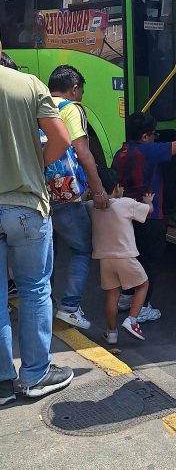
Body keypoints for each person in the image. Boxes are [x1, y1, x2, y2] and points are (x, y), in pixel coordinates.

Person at [0, 40, 74, 405]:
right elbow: (61, 140)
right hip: (26, 205)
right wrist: (35, 163)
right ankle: (34, 375)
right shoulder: (28, 84)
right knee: (33, 289)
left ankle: (1, 383)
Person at [113, 112, 176, 321]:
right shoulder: (149, 151)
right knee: (149, 263)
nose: (154, 138)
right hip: (151, 216)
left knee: (133, 257)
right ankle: (142, 307)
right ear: (144, 137)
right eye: (153, 134)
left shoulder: (120, 153)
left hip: (127, 216)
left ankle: (126, 296)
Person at [47, 65, 109, 330]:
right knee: (81, 248)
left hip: (37, 192)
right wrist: (98, 191)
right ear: (74, 89)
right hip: (65, 195)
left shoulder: (38, 105)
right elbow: (82, 153)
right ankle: (70, 307)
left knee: (48, 252)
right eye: (81, 92)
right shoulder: (71, 109)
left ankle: (45, 305)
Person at [86, 166, 154, 344]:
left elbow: (87, 202)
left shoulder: (91, 206)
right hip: (125, 257)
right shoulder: (125, 203)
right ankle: (132, 321)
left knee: (112, 295)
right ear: (116, 187)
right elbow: (148, 212)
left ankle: (111, 332)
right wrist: (148, 201)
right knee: (143, 284)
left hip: (104, 260)